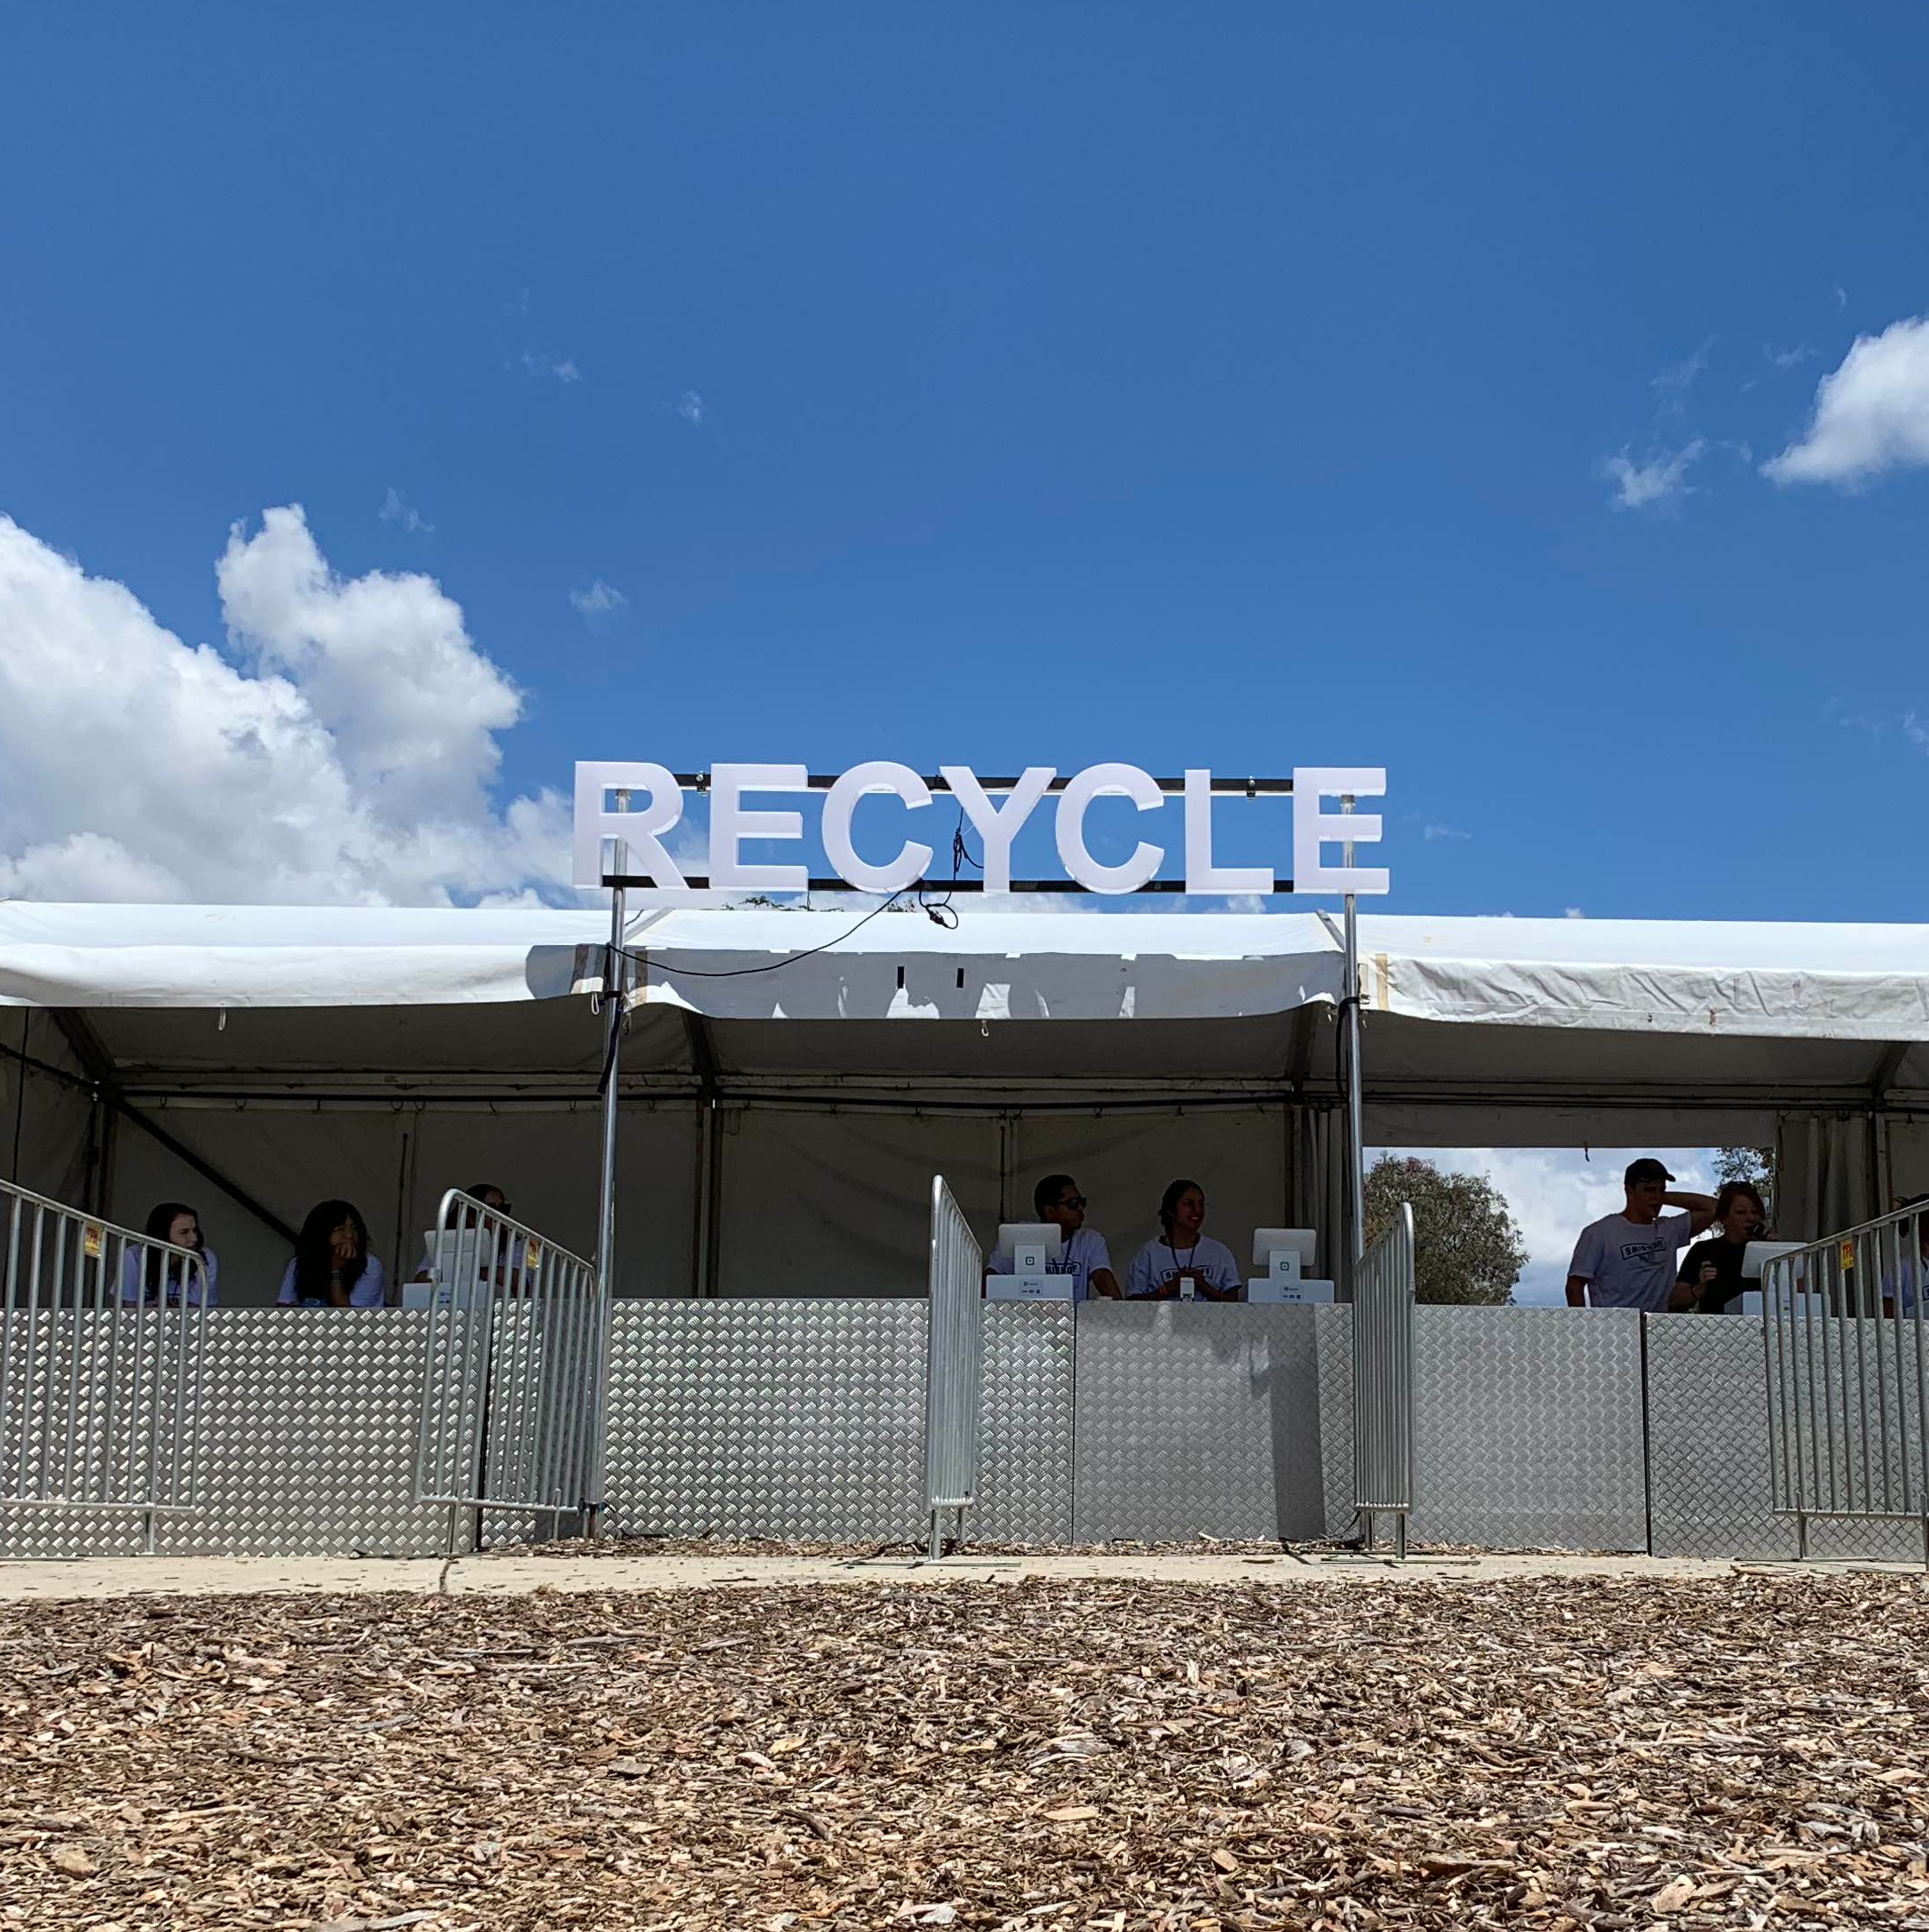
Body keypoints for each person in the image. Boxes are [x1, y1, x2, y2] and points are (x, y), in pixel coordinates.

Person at [1565, 1159, 1718, 1311]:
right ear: (1629, 1191)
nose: (1657, 1197)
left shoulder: (1670, 1229)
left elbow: (1714, 1208)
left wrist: (1663, 1197)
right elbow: (1575, 1285)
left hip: (1658, 1327)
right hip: (1616, 1327)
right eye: (1650, 1190)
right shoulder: (1599, 1233)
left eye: (1661, 1190)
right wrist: (1584, 1326)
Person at [987, 1173, 1121, 1300]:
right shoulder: (1022, 1235)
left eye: (1082, 1202)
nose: (1081, 1208)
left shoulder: (1090, 1241)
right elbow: (990, 1279)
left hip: (1075, 1322)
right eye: (1073, 1204)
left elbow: (1108, 1287)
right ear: (1050, 1212)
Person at [1125, 1179, 1244, 1301]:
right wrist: (1169, 1288)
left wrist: (1205, 1287)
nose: (1197, 1210)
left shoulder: (1219, 1252)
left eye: (1201, 1205)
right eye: (1189, 1204)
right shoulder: (1149, 1253)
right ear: (1171, 1211)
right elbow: (1132, 1303)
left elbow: (1235, 1303)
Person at [1668, 1180, 1767, 1313]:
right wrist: (1699, 1289)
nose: (1750, 1218)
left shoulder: (1767, 1251)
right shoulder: (1704, 1250)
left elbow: (1799, 1290)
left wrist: (1776, 1248)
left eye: (1755, 1212)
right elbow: (1675, 1303)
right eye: (1741, 1212)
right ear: (1724, 1218)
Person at [278, 1199, 387, 1308]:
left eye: (354, 1229)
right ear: (321, 1233)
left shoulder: (370, 1264)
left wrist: (336, 1270)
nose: (350, 1236)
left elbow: (349, 1319)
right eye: (340, 1229)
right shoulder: (298, 1263)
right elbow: (284, 1310)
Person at [118, 1201, 218, 1307]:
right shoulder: (134, 1256)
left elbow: (198, 1312)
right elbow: (129, 1310)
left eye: (195, 1231)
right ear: (162, 1234)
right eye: (184, 1232)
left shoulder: (204, 1258)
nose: (194, 1239)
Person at [412, 1182, 512, 1283]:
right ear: (472, 1215)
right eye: (492, 1209)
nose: (500, 1215)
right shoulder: (449, 1239)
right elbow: (421, 1278)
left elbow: (522, 1280)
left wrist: (467, 1269)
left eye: (503, 1209)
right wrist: (453, 1272)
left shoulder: (525, 1244)